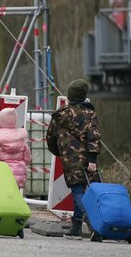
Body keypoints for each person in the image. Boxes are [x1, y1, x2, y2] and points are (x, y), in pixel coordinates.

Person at [47, 79, 101, 240]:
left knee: (78, 192)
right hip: (89, 160)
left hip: (70, 160)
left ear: (69, 96)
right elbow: (94, 138)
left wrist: (60, 153)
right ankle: (76, 227)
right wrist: (92, 159)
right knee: (85, 192)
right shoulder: (90, 114)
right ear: (84, 96)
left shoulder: (59, 115)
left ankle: (93, 224)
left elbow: (50, 138)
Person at [0, 108, 31, 190]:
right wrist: (19, 166)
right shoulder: (21, 139)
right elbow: (27, 158)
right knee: (14, 196)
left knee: (1, 198)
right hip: (18, 175)